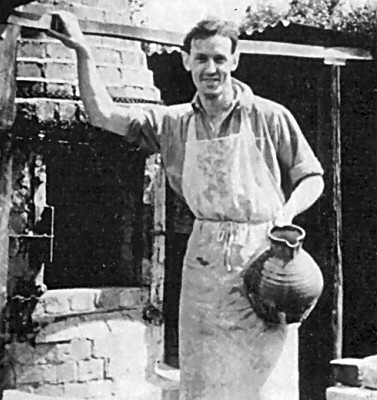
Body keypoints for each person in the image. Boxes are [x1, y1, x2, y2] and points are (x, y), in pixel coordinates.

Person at [47, 12, 324, 400]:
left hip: (263, 258)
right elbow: (103, 115)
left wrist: (288, 212)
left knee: (264, 384)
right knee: (205, 380)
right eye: (201, 59)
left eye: (219, 59)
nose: (211, 69)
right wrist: (82, 51)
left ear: (235, 61)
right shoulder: (173, 122)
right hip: (204, 263)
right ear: (186, 62)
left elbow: (312, 177)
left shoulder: (269, 115)